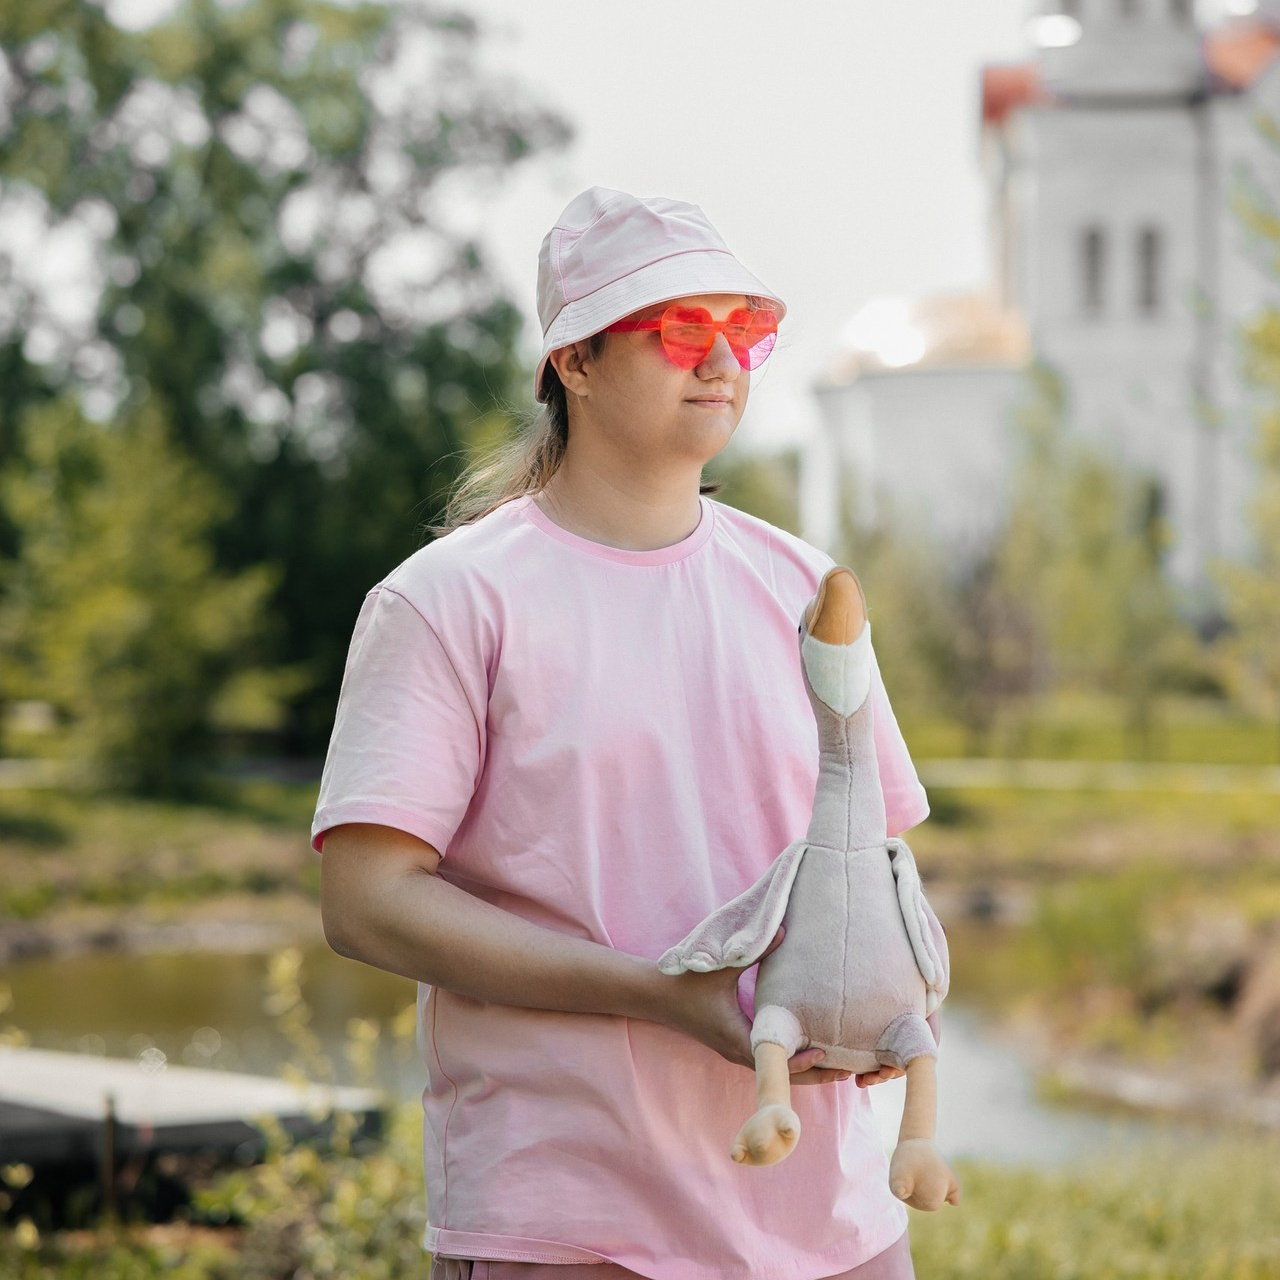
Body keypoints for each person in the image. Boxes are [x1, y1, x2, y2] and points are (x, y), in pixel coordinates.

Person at [313, 187, 933, 1280]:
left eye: (741, 328)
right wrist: (658, 994)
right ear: (574, 361)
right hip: (566, 1221)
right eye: (679, 329)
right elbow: (366, 901)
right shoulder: (448, 600)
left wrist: (885, 1003)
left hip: (830, 1225)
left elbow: (879, 865)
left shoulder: (805, 586)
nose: (722, 360)